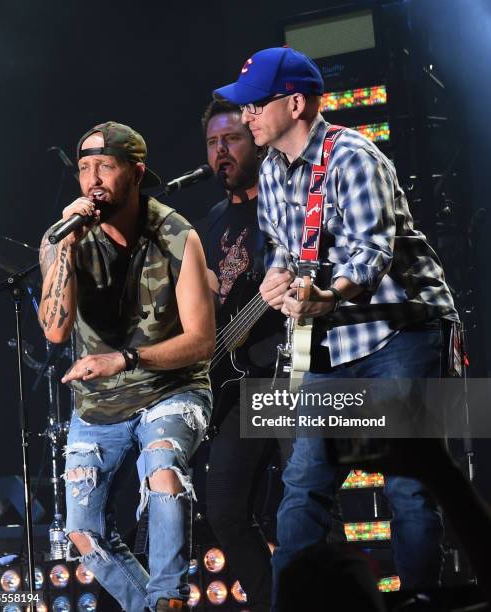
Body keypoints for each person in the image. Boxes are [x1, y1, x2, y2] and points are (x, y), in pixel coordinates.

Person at [213, 47, 459, 607]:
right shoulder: (272, 169)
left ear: (294, 103)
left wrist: (326, 297)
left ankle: (421, 598)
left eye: (255, 105)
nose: (246, 116)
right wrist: (277, 279)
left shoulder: (355, 157)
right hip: (339, 338)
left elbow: (372, 253)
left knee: (410, 481)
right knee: (304, 482)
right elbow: (283, 247)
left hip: (406, 328)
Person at [38, 121, 214, 612]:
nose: (93, 180)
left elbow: (201, 341)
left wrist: (125, 359)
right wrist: (65, 250)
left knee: (161, 460)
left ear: (136, 174)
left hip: (170, 388)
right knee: (83, 532)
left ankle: (168, 599)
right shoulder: (62, 238)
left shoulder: (177, 235)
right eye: (85, 168)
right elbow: (54, 329)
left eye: (106, 167)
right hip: (98, 406)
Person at [197, 99, 287, 612]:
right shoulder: (210, 221)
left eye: (230, 139)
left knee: (306, 504)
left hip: (290, 370)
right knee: (226, 511)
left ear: (255, 138)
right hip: (237, 380)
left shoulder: (282, 203)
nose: (221, 152)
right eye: (212, 143)